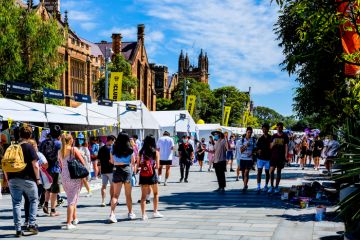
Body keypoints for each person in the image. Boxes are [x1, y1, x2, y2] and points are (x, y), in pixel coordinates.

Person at [5, 126, 40, 237]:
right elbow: (35, 165)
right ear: (30, 135)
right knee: (34, 199)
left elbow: (5, 165)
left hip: (13, 179)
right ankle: (32, 224)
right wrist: (38, 179)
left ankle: (18, 229)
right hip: (28, 179)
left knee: (16, 203)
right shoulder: (29, 147)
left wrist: (7, 178)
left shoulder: (12, 147)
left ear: (19, 135)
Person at [59, 134, 85, 230]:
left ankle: (74, 218)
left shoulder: (60, 151)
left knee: (72, 197)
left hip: (64, 175)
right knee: (72, 200)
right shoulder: (73, 149)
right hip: (73, 175)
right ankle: (69, 223)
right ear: (70, 140)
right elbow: (82, 162)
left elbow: (61, 165)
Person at [108, 132, 136, 223]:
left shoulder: (113, 147)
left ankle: (112, 214)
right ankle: (130, 213)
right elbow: (133, 161)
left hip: (116, 169)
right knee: (128, 194)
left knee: (115, 195)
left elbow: (111, 161)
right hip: (126, 169)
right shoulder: (130, 148)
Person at [137, 135, 164, 220]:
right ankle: (155, 212)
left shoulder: (141, 152)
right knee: (155, 193)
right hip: (152, 174)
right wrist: (154, 163)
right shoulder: (155, 152)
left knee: (143, 196)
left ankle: (143, 215)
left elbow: (138, 164)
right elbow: (157, 167)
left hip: (143, 174)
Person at [23, 140, 48, 228]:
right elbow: (45, 164)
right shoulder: (38, 154)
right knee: (34, 200)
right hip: (36, 180)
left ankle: (26, 220)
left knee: (27, 201)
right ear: (35, 145)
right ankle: (31, 222)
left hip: (24, 179)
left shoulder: (23, 151)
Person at [39, 125, 62, 217]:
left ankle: (45, 203)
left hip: (45, 168)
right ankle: (53, 211)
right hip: (55, 168)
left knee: (47, 187)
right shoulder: (58, 143)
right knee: (55, 190)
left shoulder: (43, 142)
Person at [268, 122, 289, 194]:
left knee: (279, 171)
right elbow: (270, 147)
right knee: (271, 171)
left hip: (281, 156)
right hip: (273, 156)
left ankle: (276, 186)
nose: (279, 128)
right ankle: (271, 186)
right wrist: (273, 143)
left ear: (282, 128)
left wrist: (286, 155)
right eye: (278, 127)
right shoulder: (273, 136)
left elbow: (286, 146)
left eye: (281, 127)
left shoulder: (285, 136)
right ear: (276, 128)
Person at [98, 135, 115, 207]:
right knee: (112, 186)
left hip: (103, 170)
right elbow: (112, 160)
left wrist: (99, 170)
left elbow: (98, 160)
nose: (114, 142)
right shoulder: (112, 149)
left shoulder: (101, 148)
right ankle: (111, 200)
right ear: (111, 140)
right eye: (113, 140)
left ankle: (103, 201)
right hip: (111, 170)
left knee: (103, 186)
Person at [238, 127, 256, 193]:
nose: (249, 134)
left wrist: (252, 153)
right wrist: (245, 145)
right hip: (242, 158)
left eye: (251, 132)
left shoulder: (253, 140)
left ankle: (245, 186)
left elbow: (255, 149)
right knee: (243, 173)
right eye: (248, 132)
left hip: (249, 159)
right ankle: (245, 184)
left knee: (246, 172)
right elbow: (241, 150)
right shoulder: (242, 140)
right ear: (246, 132)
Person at [212, 129, 229, 193]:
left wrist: (226, 139)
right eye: (214, 134)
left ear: (219, 134)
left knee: (222, 174)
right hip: (216, 160)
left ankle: (223, 187)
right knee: (217, 174)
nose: (215, 135)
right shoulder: (216, 142)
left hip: (222, 160)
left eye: (216, 134)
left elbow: (227, 148)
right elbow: (214, 151)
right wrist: (206, 150)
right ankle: (220, 186)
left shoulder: (223, 141)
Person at [256, 123, 272, 192]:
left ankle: (266, 185)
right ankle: (258, 186)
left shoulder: (271, 138)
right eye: (263, 129)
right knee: (259, 172)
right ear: (262, 129)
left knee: (267, 173)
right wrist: (258, 150)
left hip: (268, 158)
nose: (264, 130)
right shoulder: (260, 138)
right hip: (260, 158)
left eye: (266, 129)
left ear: (268, 130)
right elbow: (257, 147)